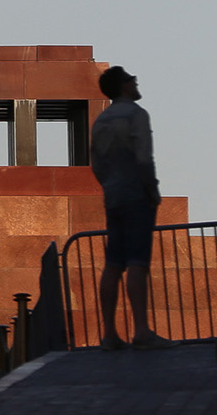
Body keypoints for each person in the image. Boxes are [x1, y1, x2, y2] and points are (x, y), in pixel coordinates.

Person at [91, 65, 169, 350]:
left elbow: (96, 164)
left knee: (113, 263)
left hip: (113, 195)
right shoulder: (136, 115)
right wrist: (152, 191)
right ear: (124, 85)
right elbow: (144, 159)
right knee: (138, 261)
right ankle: (141, 330)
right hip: (136, 194)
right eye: (130, 79)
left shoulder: (101, 120)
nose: (135, 81)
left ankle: (109, 333)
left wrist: (109, 184)